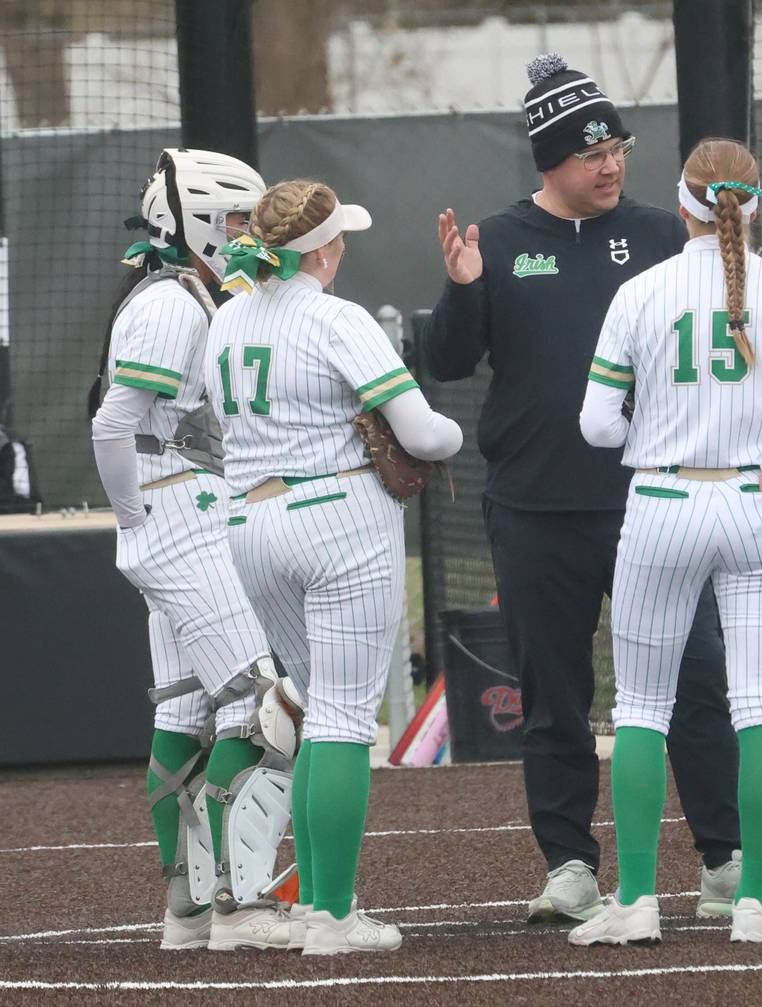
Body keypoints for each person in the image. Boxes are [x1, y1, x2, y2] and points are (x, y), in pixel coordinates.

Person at [424, 53, 762, 922]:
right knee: (553, 690)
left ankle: (725, 861)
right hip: (532, 506)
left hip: (653, 502)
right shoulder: (499, 240)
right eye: (589, 153)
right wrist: (459, 290)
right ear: (548, 161)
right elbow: (446, 362)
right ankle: (569, 864)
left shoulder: (660, 232)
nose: (610, 165)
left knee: (699, 680)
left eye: (618, 147)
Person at [568, 137, 762, 946]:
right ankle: (754, 901)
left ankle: (632, 903)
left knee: (640, 706)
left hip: (662, 499)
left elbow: (595, 424)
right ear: (753, 203)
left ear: (683, 199)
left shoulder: (639, 291)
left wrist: (652, 430)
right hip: (758, 503)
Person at [208, 180, 464, 953]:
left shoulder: (225, 317)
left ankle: (317, 906)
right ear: (320, 248)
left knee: (320, 709)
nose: (342, 245)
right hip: (338, 516)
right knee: (347, 720)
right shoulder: (335, 316)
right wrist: (452, 434)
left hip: (250, 518)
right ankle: (332, 914)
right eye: (337, 236)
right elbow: (422, 432)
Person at [89, 148, 303, 952]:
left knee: (186, 708)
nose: (247, 235)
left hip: (176, 513)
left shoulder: (180, 294)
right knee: (262, 700)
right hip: (180, 517)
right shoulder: (172, 305)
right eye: (237, 221)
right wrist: (136, 516)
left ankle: (185, 910)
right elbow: (113, 421)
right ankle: (239, 903)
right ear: (201, 225)